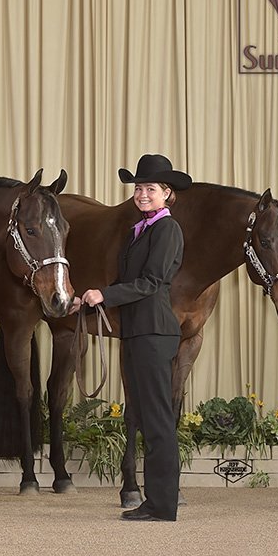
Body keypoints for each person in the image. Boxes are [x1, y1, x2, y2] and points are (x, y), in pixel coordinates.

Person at [72, 154, 191, 521]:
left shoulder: (167, 230)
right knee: (145, 415)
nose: (142, 194)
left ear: (166, 193)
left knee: (156, 419)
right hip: (137, 331)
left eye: (150, 188)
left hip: (154, 331)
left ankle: (162, 504)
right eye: (139, 188)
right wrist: (88, 301)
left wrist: (105, 295)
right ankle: (155, 501)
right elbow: (127, 284)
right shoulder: (138, 230)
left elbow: (152, 282)